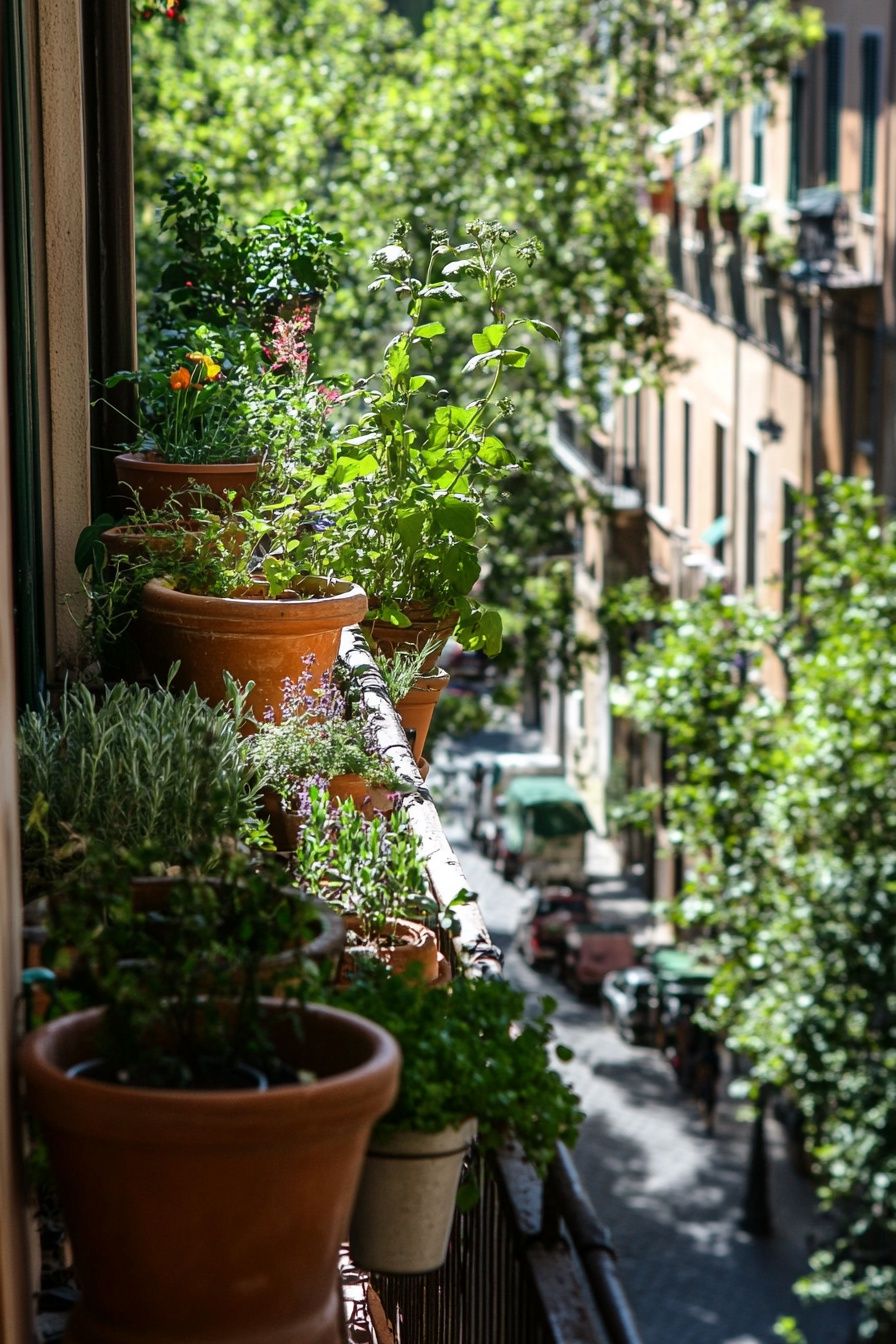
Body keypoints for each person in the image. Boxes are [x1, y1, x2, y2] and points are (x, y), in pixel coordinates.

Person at [693, 1039, 721, 1136]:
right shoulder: (714, 1056)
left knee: (703, 1103)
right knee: (710, 1106)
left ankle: (708, 1124)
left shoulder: (703, 1055)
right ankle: (709, 1124)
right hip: (710, 1083)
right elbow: (718, 1073)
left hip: (705, 1083)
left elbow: (699, 1070)